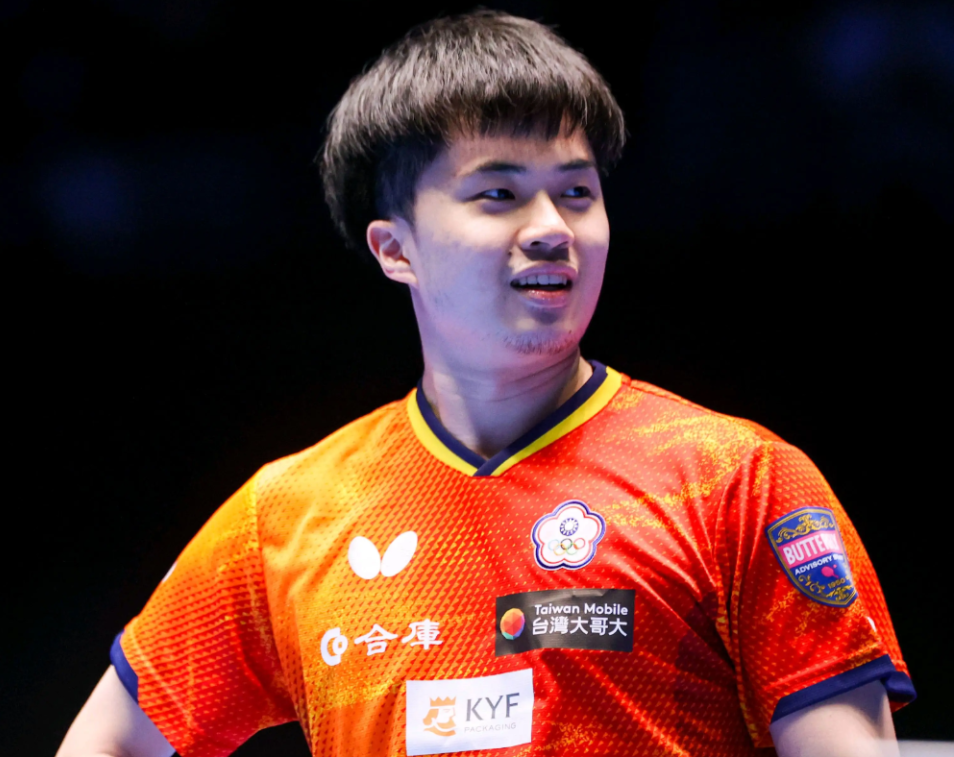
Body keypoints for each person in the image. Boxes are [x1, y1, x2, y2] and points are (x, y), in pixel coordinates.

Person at [56, 11, 914, 757]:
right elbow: (111, 737)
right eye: (499, 192)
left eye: (576, 192)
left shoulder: (738, 480)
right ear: (396, 248)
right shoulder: (283, 517)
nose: (551, 228)